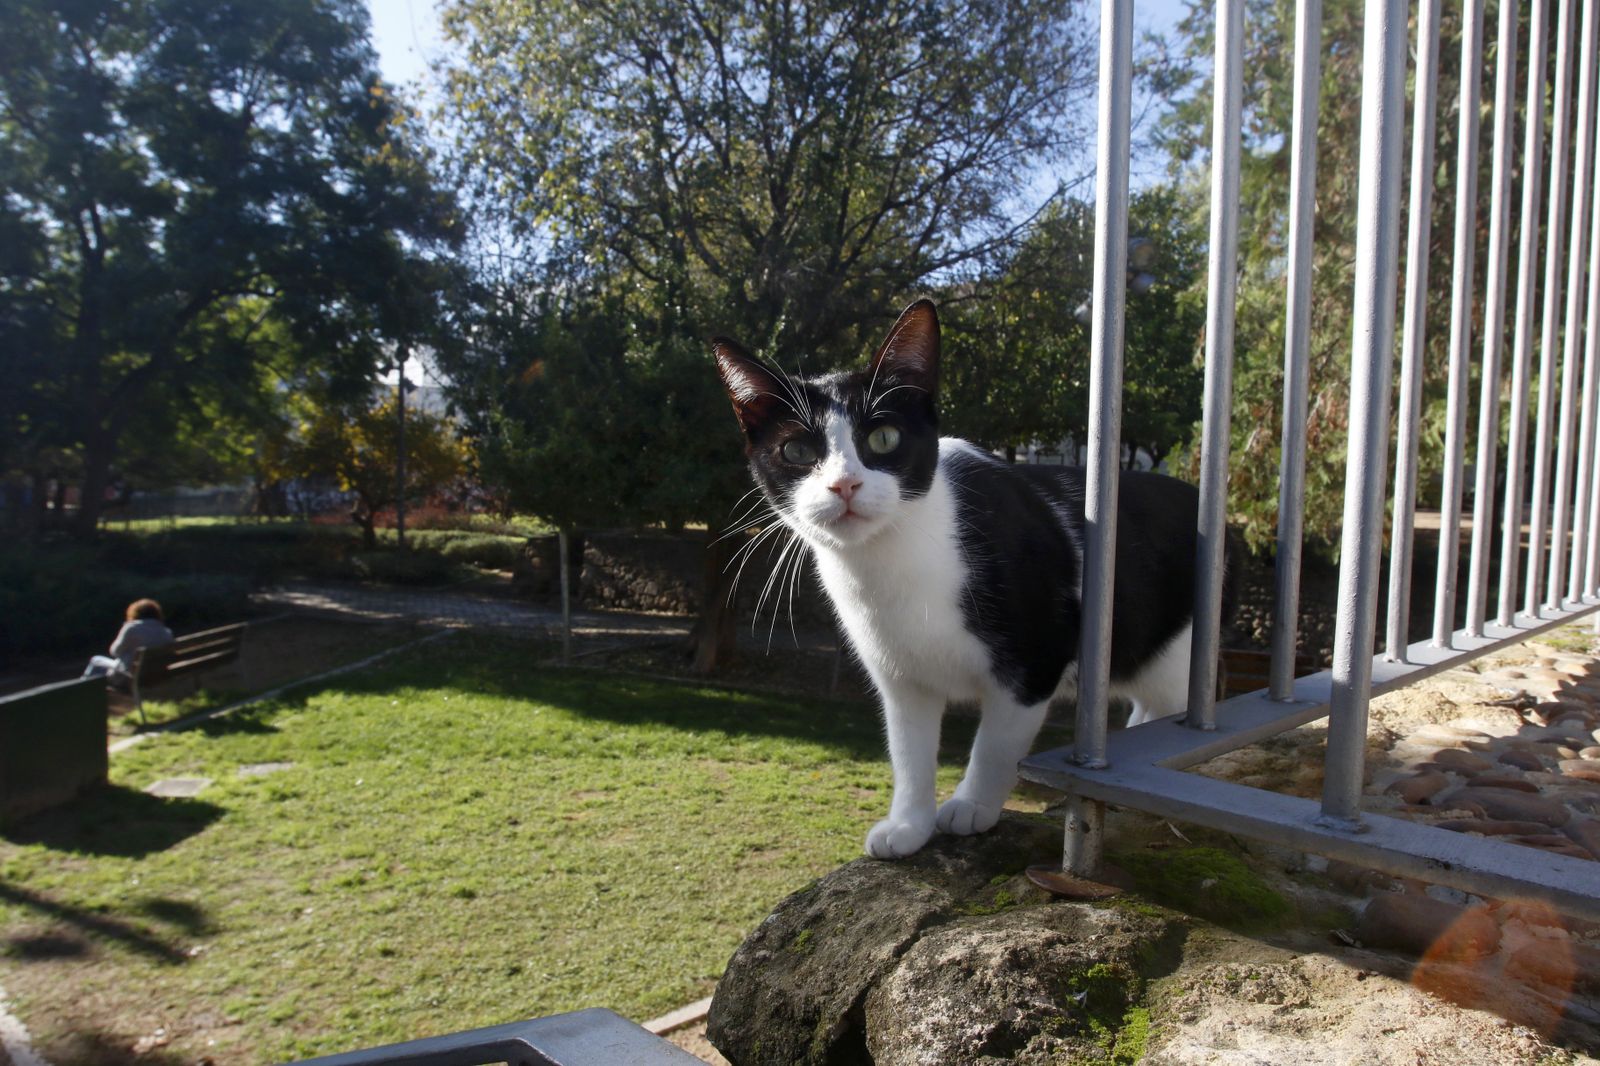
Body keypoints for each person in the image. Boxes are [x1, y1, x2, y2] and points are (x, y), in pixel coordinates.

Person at [83, 599, 175, 681]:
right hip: (155, 676)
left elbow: (115, 652)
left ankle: (82, 690)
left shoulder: (131, 628)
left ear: (135, 613)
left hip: (130, 677)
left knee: (96, 660)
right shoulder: (166, 632)